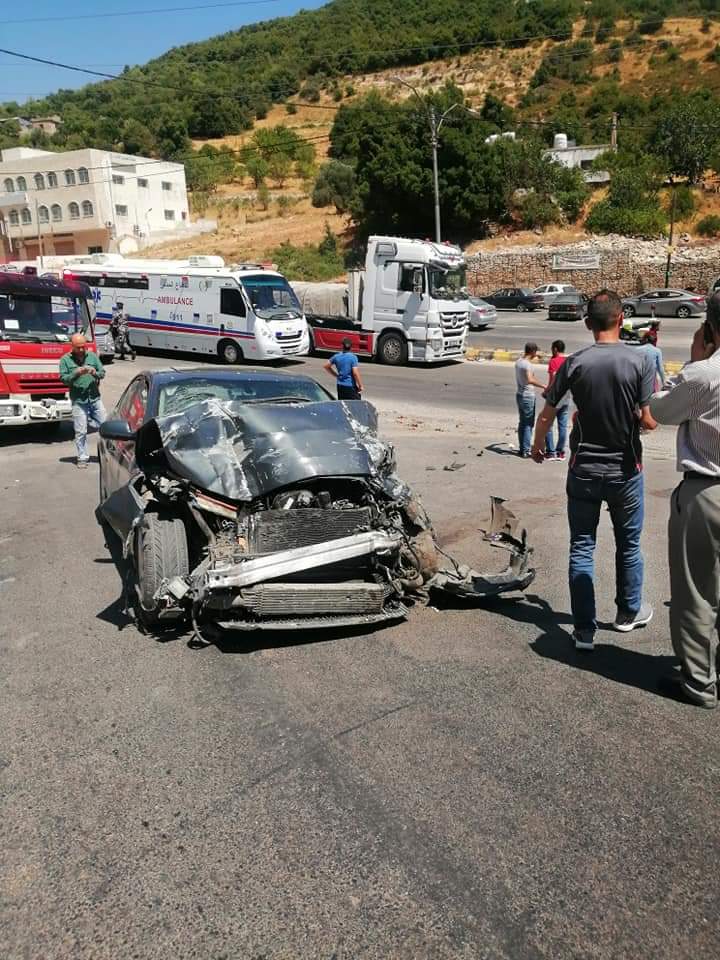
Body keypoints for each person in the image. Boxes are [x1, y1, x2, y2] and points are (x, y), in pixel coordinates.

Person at [530, 290, 657, 650]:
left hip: (583, 470)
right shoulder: (640, 361)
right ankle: (628, 613)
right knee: (628, 544)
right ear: (621, 319)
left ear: (588, 324)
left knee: (582, 546)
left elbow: (547, 414)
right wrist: (643, 420)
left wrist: (538, 445)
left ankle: (584, 630)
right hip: (625, 472)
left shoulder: (574, 363)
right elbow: (648, 421)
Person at [650, 293, 720, 709]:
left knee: (696, 591)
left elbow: (661, 410)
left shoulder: (704, 374)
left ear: (710, 328)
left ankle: (698, 682)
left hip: (708, 492)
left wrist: (696, 358)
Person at [59, 333, 106, 469]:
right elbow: (63, 379)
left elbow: (102, 373)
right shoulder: (65, 360)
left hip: (94, 398)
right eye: (78, 347)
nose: (81, 350)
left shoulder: (92, 356)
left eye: (83, 347)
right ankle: (82, 457)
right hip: (79, 400)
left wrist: (94, 372)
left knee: (105, 426)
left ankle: (106, 454)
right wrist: (76, 373)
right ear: (72, 346)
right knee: (81, 431)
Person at [514, 342, 546, 458]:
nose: (536, 354)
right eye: (535, 351)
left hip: (519, 394)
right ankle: (526, 450)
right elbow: (530, 379)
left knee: (522, 422)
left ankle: (522, 448)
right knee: (528, 424)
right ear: (532, 351)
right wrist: (543, 386)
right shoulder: (527, 365)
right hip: (527, 396)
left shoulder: (519, 362)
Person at [544, 339, 570, 461]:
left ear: (555, 349)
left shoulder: (553, 361)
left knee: (548, 423)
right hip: (566, 396)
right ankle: (560, 452)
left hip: (554, 397)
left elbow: (553, 378)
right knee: (563, 425)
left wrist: (546, 391)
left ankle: (550, 452)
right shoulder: (567, 361)